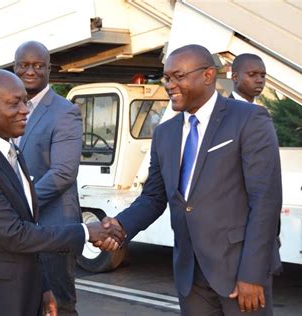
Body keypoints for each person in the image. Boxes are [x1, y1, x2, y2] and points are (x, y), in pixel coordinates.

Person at [100, 45, 282, 315]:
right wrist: (121, 226)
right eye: (166, 78)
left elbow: (265, 202)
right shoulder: (165, 133)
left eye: (178, 76)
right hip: (190, 274)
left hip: (238, 272)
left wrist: (252, 274)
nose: (170, 85)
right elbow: (154, 197)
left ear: (208, 75)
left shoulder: (248, 119)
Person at [0, 69, 122, 316]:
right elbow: (15, 234)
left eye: (24, 101)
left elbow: (29, 222)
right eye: (14, 103)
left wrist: (43, 285)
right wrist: (85, 231)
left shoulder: (10, 151)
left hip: (22, 288)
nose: (25, 110)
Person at [13, 40, 83, 315]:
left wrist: (21, 202)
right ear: (15, 67)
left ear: (49, 69)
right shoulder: (9, 108)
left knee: (59, 306)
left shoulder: (64, 112)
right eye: (24, 65)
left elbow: (63, 173)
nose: (30, 71)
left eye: (38, 66)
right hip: (19, 228)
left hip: (54, 226)